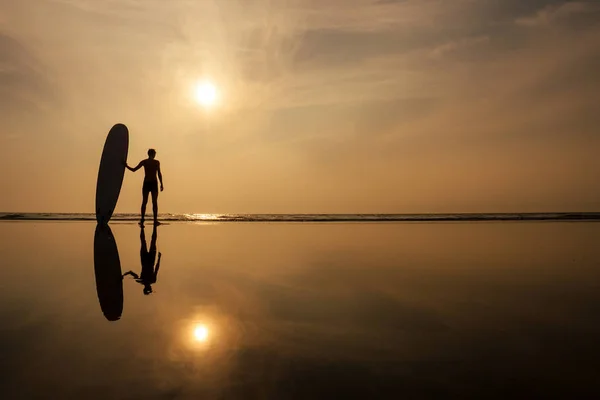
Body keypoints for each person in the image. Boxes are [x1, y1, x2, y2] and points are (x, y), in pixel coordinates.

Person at [126, 148, 163, 225]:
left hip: (148, 183)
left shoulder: (145, 162)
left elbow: (133, 170)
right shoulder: (155, 162)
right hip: (152, 183)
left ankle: (143, 219)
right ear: (153, 154)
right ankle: (153, 220)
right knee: (153, 202)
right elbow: (159, 173)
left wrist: (126, 166)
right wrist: (161, 184)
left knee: (145, 202)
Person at [123, 225, 162, 295]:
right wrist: (127, 273)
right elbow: (156, 269)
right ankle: (149, 227)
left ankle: (150, 227)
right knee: (146, 241)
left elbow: (156, 269)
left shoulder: (148, 280)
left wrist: (126, 274)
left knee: (148, 241)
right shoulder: (145, 280)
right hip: (148, 260)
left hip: (147, 260)